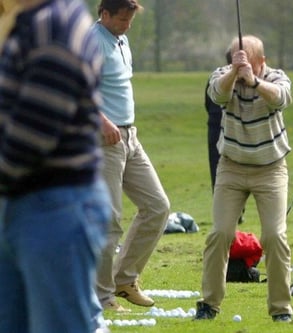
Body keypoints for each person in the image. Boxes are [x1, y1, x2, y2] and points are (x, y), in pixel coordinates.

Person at [0, 1, 111, 331]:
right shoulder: (28, 22)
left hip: (55, 209)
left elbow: (32, 135)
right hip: (22, 203)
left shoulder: (56, 24)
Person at [194, 35, 293, 322]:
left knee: (274, 236)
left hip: (270, 168)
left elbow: (281, 99)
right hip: (232, 167)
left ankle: (281, 309)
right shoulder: (223, 76)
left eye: (247, 61)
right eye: (234, 61)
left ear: (261, 61)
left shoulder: (276, 77)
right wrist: (233, 74)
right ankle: (209, 304)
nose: (238, 67)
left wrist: (254, 82)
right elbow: (217, 95)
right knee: (220, 233)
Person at [91, 0, 171, 313]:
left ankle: (124, 279)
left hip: (130, 137)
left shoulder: (121, 39)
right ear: (105, 14)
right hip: (103, 138)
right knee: (109, 219)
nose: (127, 24)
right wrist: (102, 121)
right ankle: (101, 296)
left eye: (130, 19)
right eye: (122, 18)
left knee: (157, 206)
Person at [205, 49, 231, 191]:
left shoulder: (214, 79)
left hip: (214, 129)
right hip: (220, 131)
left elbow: (207, 105)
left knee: (217, 176)